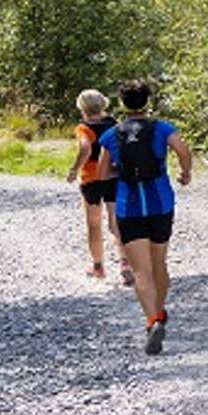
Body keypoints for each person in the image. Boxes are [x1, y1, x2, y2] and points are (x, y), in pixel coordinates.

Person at [100, 80, 194, 356]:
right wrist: (185, 173)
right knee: (159, 263)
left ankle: (152, 319)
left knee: (141, 270)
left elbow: (103, 173)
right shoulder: (162, 128)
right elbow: (183, 150)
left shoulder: (112, 134)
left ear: (122, 104)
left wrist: (122, 171)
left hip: (129, 207)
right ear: (147, 101)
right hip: (160, 203)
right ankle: (160, 312)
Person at [64, 88, 123, 282]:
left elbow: (85, 148)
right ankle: (126, 264)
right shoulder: (115, 124)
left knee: (94, 224)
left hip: (92, 179)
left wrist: (74, 169)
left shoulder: (84, 128)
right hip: (113, 176)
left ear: (83, 108)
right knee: (116, 223)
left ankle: (98, 266)